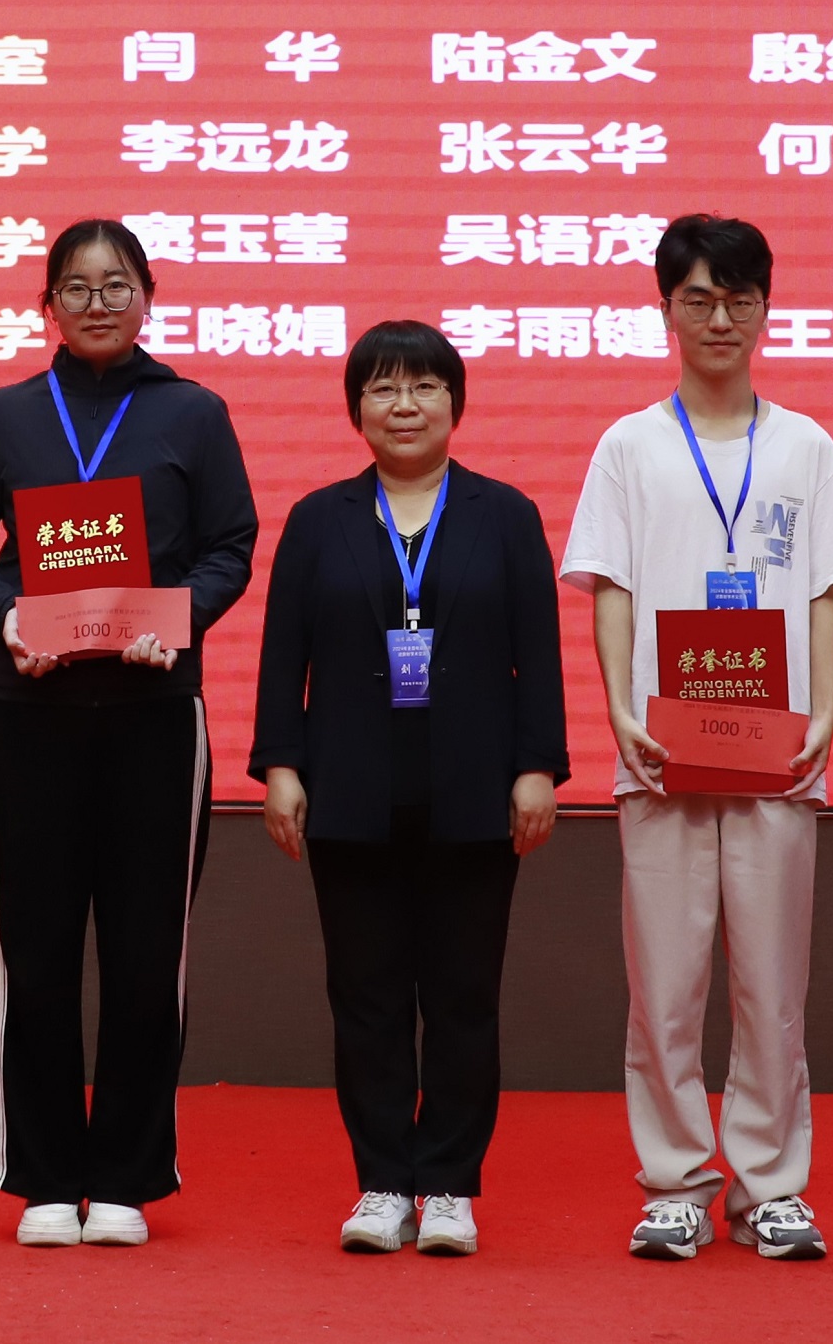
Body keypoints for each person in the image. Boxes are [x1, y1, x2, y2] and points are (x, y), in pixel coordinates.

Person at [0, 219, 259, 1248]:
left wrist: (182, 617)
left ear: (148, 296)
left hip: (155, 711)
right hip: (24, 712)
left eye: (117, 284)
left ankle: (125, 1174)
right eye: (75, 287)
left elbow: (231, 544)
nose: (97, 303)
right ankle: (40, 1175)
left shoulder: (193, 411)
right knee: (32, 952)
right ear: (47, 307)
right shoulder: (6, 413)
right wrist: (6, 614)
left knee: (147, 950)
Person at [561, 213, 833, 1264]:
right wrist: (619, 710)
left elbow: (827, 590)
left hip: (777, 749)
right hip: (661, 750)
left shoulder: (805, 444)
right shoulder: (629, 444)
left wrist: (825, 714)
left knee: (772, 984)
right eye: (698, 299)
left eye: (739, 298)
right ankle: (676, 1181)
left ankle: (771, 1185)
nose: (720, 318)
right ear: (667, 310)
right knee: (665, 983)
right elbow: (609, 585)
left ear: (766, 308)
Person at [255, 321, 568, 1258]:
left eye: (425, 387)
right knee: (367, 996)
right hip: (349, 792)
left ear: (454, 403)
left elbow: (538, 654)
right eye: (383, 388)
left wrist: (537, 766)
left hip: (476, 793)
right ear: (356, 408)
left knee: (464, 996)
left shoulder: (504, 514)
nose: (404, 405)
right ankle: (384, 1182)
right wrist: (281, 766)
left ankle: (451, 1187)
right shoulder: (318, 519)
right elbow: (283, 655)